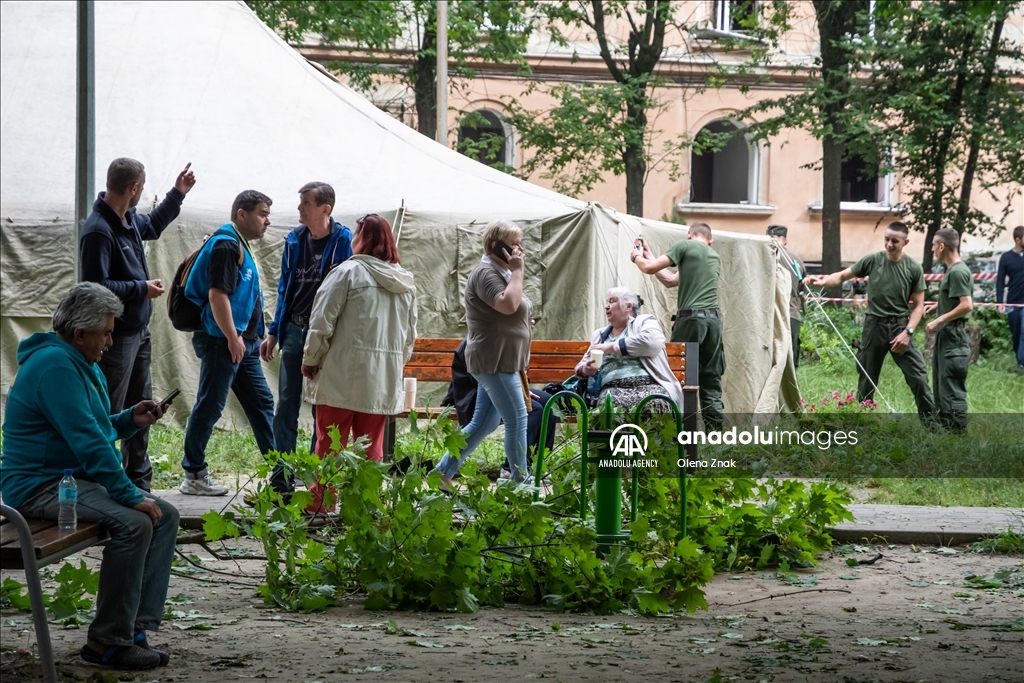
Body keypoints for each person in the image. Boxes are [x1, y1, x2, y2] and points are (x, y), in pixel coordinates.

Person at [0, 283, 179, 670]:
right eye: (106, 332)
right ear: (80, 334)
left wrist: (129, 420)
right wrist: (129, 494)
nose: (112, 341)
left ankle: (133, 629)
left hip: (70, 478)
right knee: (136, 521)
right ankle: (107, 644)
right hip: (38, 486)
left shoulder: (78, 363)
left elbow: (95, 429)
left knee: (166, 515)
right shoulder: (56, 366)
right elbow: (87, 444)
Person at [79, 158, 196, 491]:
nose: (140, 195)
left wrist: (178, 193)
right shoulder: (99, 231)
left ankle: (138, 484)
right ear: (133, 188)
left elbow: (154, 226)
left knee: (142, 408)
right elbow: (95, 285)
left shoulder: (127, 219)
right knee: (111, 410)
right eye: (141, 190)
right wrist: (140, 289)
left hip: (138, 333)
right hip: (114, 337)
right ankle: (102, 482)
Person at [301, 214, 417, 511]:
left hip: (341, 373)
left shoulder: (347, 273)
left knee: (330, 445)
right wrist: (394, 367)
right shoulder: (405, 282)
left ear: (360, 239)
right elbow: (409, 336)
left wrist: (311, 358)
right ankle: (366, 507)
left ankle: (321, 505)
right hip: (381, 379)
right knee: (371, 448)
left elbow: (321, 322)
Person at [180, 191, 276, 495]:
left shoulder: (240, 245)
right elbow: (217, 295)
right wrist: (232, 337)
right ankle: (193, 474)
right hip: (223, 341)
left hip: (242, 344)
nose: (267, 221)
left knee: (262, 402)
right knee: (210, 405)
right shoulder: (226, 244)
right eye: (262, 213)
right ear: (241, 214)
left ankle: (280, 470)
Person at [260, 182, 353, 497]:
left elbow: (349, 290)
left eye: (305, 203)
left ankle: (316, 478)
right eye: (300, 203)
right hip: (294, 330)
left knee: (322, 407)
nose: (299, 209)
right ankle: (282, 476)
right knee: (286, 403)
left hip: (326, 335)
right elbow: (284, 288)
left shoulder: (343, 241)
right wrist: (274, 332)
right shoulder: (294, 240)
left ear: (325, 209)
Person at [435, 220, 533, 486]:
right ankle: (519, 482)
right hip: (494, 360)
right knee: (517, 419)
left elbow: (503, 311)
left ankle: (441, 473)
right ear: (495, 246)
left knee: (484, 424)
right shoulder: (484, 273)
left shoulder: (500, 274)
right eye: (513, 245)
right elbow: (508, 304)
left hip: (501, 359)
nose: (519, 251)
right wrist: (518, 271)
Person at [809, 221, 935, 419]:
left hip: (900, 327)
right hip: (874, 326)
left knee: (918, 377)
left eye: (895, 241)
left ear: (905, 242)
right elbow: (842, 276)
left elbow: (919, 306)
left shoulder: (913, 268)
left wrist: (908, 332)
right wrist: (822, 281)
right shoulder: (872, 260)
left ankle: (931, 424)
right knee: (867, 378)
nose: (889, 244)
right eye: (886, 239)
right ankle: (863, 420)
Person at [632, 222, 725, 429]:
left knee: (673, 373)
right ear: (710, 240)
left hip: (691, 320)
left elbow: (648, 269)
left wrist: (636, 257)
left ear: (689, 235)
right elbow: (670, 280)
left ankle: (675, 431)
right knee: (710, 376)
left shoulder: (684, 245)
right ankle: (715, 433)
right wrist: (650, 255)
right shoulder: (714, 257)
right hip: (713, 323)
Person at [440, 338, 558, 479]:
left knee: (549, 404)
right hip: (472, 395)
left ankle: (535, 467)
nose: (530, 319)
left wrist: (520, 388)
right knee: (531, 410)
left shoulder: (507, 336)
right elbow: (485, 377)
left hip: (497, 384)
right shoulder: (485, 337)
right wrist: (517, 390)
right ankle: (513, 472)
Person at [575, 288, 685, 413]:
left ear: (628, 306)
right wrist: (586, 369)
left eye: (612, 301)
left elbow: (652, 342)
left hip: (649, 384)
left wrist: (612, 347)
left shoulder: (644, 322)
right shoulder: (600, 335)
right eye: (606, 302)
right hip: (611, 387)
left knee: (657, 401)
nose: (606, 306)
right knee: (609, 404)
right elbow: (581, 366)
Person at [924, 228, 974, 431]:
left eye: (934, 245)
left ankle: (957, 433)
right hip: (948, 334)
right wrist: (938, 305)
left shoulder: (958, 271)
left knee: (951, 387)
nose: (932, 249)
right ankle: (947, 430)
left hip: (953, 334)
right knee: (942, 385)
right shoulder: (953, 270)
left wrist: (938, 320)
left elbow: (967, 305)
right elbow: (956, 299)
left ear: (942, 246)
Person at [766, 225, 807, 368]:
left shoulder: (764, 259)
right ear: (785, 241)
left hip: (769, 316)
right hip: (792, 315)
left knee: (769, 358)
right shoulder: (797, 262)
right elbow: (803, 290)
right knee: (790, 361)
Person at [995, 225, 1024, 372]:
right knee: (1016, 333)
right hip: (1013, 301)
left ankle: (1022, 364)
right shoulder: (1006, 258)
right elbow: (1000, 281)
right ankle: (1020, 361)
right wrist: (1000, 302)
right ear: (1018, 239)